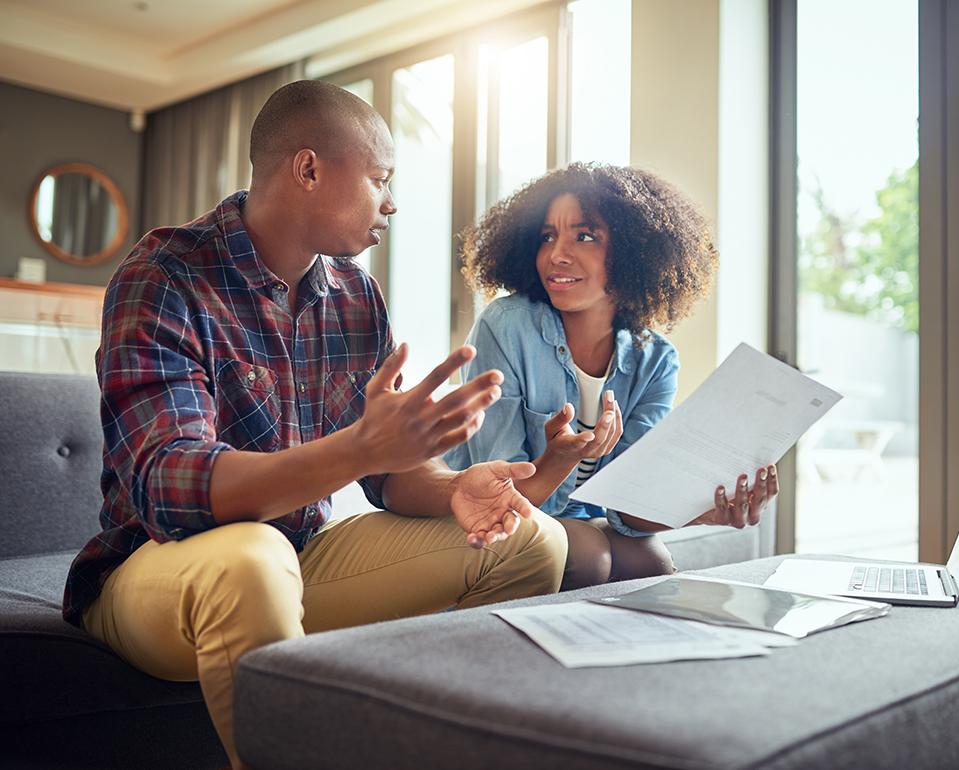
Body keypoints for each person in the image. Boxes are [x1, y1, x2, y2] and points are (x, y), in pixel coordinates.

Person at [62, 80, 568, 770]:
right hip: (153, 571)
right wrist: (357, 447)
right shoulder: (166, 274)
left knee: (530, 540)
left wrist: (452, 488)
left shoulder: (355, 293)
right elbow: (169, 485)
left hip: (295, 559)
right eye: (380, 180)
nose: (391, 202)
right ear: (307, 169)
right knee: (249, 558)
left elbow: (388, 474)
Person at [444, 163, 778, 590]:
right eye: (548, 236)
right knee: (589, 553)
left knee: (650, 558)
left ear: (636, 254)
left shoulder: (655, 360)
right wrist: (559, 460)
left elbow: (626, 502)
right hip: (488, 511)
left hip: (575, 520)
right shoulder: (506, 325)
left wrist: (703, 510)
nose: (556, 254)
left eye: (585, 236)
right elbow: (505, 487)